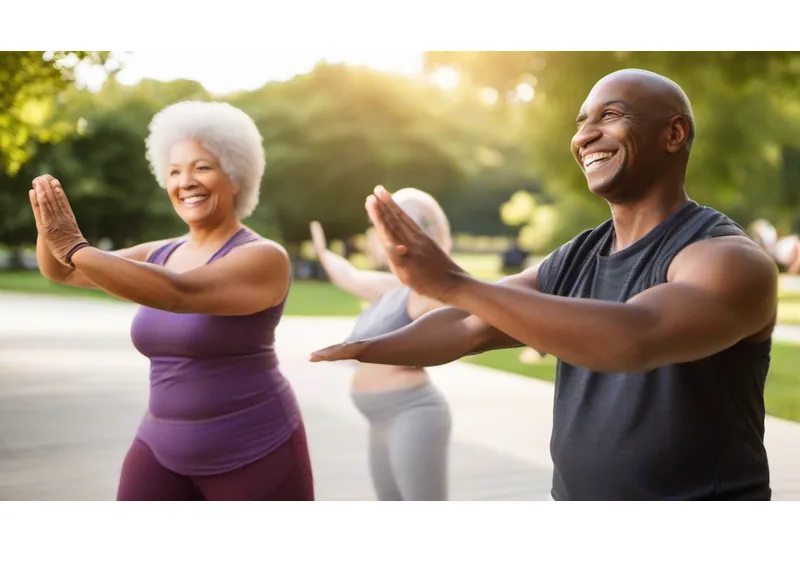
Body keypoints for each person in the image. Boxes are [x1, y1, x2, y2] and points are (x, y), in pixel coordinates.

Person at [310, 69, 779, 501]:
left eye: (610, 116)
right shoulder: (576, 257)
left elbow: (634, 338)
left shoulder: (730, 261)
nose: (585, 135)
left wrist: (454, 282)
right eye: (581, 122)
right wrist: (363, 348)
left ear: (674, 134)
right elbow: (471, 325)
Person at [29, 100, 314, 501]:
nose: (186, 181)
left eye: (202, 167)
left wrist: (74, 244)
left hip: (255, 448)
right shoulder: (160, 252)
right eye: (175, 171)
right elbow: (64, 270)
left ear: (235, 177)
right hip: (161, 447)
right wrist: (49, 221)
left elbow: (181, 293)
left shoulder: (264, 257)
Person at [308, 187, 453, 500]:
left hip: (412, 414)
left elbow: (470, 306)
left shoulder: (431, 293)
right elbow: (348, 276)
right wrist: (322, 252)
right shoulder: (393, 288)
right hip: (379, 419)